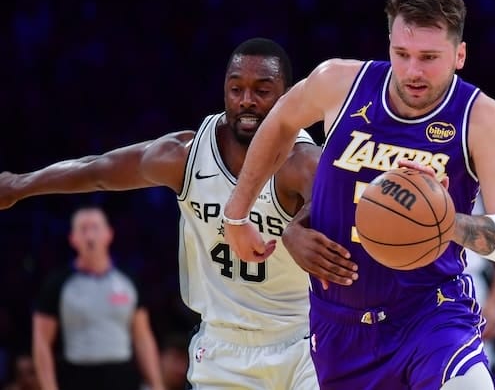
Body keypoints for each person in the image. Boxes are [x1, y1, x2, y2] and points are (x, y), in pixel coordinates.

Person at [223, 0, 495, 389]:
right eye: (402, 54)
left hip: (430, 312)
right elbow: (280, 123)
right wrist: (236, 214)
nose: (413, 71)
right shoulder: (339, 83)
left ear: (459, 56)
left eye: (429, 58)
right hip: (339, 324)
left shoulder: (481, 118)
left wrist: (448, 223)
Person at [0, 38, 322, 389]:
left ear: (286, 96)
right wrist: (18, 184)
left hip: (304, 340)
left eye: (262, 90)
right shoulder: (186, 155)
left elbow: (340, 208)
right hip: (223, 348)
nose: (247, 100)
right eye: (236, 89)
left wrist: (300, 225)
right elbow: (97, 171)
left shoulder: (303, 161)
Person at [32, 207, 164, 390]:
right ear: (73, 238)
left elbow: (142, 337)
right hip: (77, 377)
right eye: (83, 229)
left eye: (95, 227)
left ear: (109, 234)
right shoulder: (57, 284)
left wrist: (156, 384)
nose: (89, 236)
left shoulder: (128, 280)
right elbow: (42, 342)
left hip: (122, 377)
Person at [465, 193, 495, 376]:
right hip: (416, 285)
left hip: (471, 282)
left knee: (480, 370)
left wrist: (494, 301)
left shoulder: (481, 180)